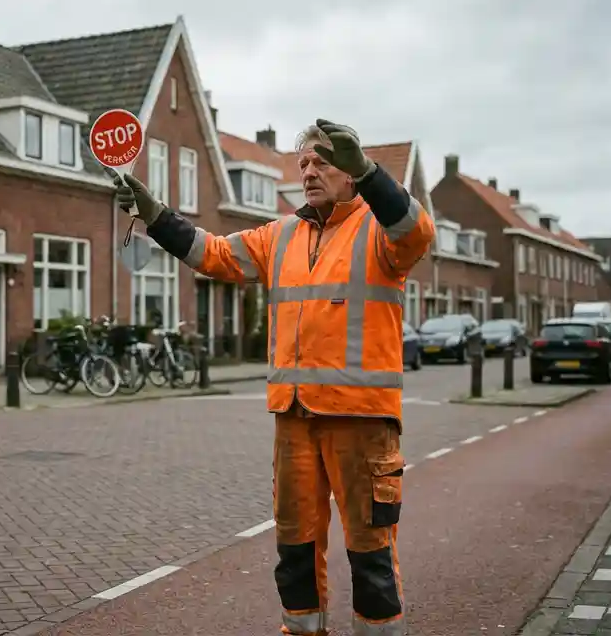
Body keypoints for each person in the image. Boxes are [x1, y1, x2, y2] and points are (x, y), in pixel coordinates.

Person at [113, 120, 435, 635]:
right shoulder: (280, 234)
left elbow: (416, 232)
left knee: (370, 550)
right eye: (303, 163)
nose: (308, 171)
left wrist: (372, 173)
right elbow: (213, 253)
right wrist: (153, 215)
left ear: (350, 172)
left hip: (362, 422)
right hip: (294, 417)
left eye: (322, 162)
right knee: (295, 545)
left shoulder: (379, 229)